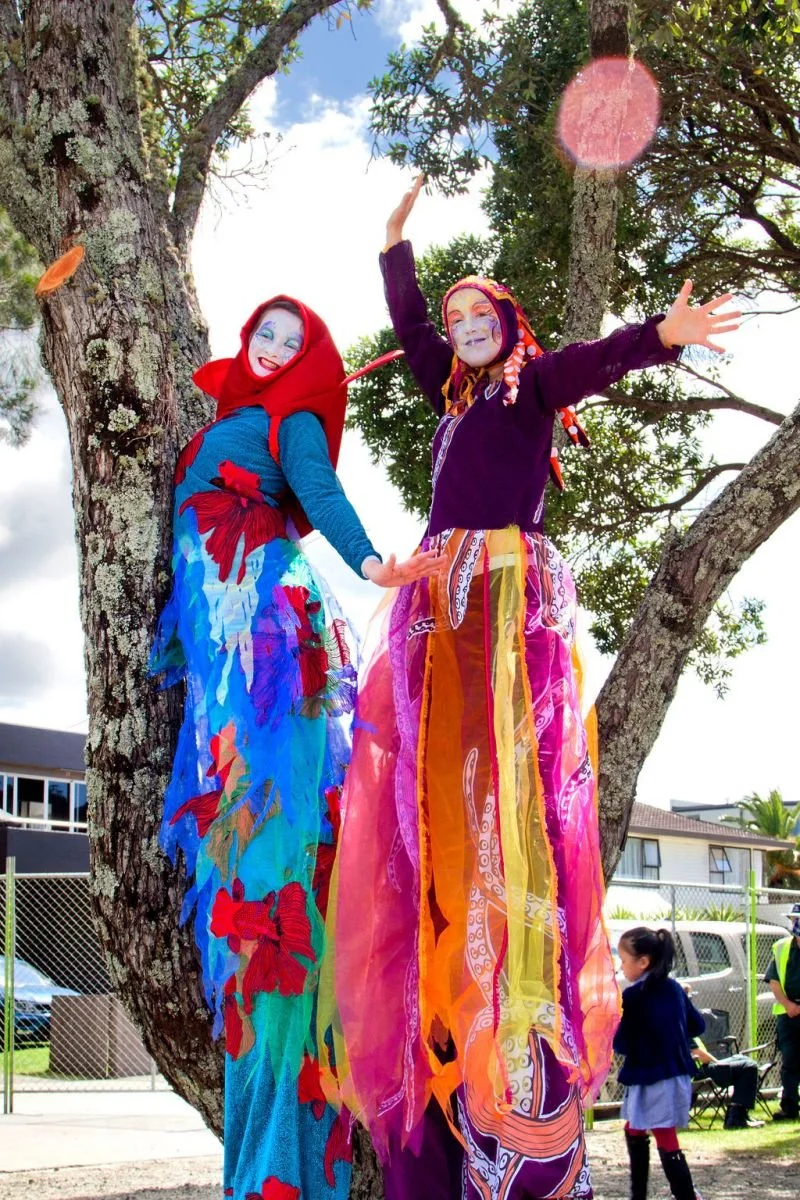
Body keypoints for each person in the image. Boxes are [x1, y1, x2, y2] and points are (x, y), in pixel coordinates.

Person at [321, 176, 741, 1200]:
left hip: (501, 603)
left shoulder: (530, 387)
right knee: (437, 789)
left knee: (499, 785)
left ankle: (518, 1091)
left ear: (507, 329)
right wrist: (391, 248)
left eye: (479, 316)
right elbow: (410, 326)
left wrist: (663, 332)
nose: (460, 328)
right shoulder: (452, 394)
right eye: (455, 318)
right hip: (439, 600)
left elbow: (596, 362)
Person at [150, 295, 441, 1200]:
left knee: (274, 876)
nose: (274, 349)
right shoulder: (232, 413)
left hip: (272, 632)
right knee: (249, 861)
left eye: (292, 339)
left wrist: (370, 562)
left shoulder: (295, 417)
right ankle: (271, 1156)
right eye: (264, 334)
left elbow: (318, 492)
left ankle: (284, 1169)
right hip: (227, 644)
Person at [615, 927, 705, 1200]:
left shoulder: (633, 997)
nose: (621, 967)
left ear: (643, 962)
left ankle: (686, 1196)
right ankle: (638, 1195)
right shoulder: (675, 989)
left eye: (624, 960)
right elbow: (697, 1024)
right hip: (673, 1074)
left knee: (665, 1137)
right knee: (634, 1127)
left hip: (653, 1077)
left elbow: (622, 1044)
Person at [764, 902, 800, 1121]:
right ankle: (789, 1107)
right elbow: (774, 979)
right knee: (790, 1061)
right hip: (788, 1014)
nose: (796, 924)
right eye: (795, 920)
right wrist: (788, 1005)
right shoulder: (781, 947)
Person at [690, 1035, 763, 1129]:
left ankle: (739, 1114)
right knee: (749, 1067)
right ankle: (736, 1117)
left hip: (705, 1068)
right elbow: (701, 1056)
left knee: (743, 1059)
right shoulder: (682, 1028)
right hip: (699, 1074)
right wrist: (718, 1063)